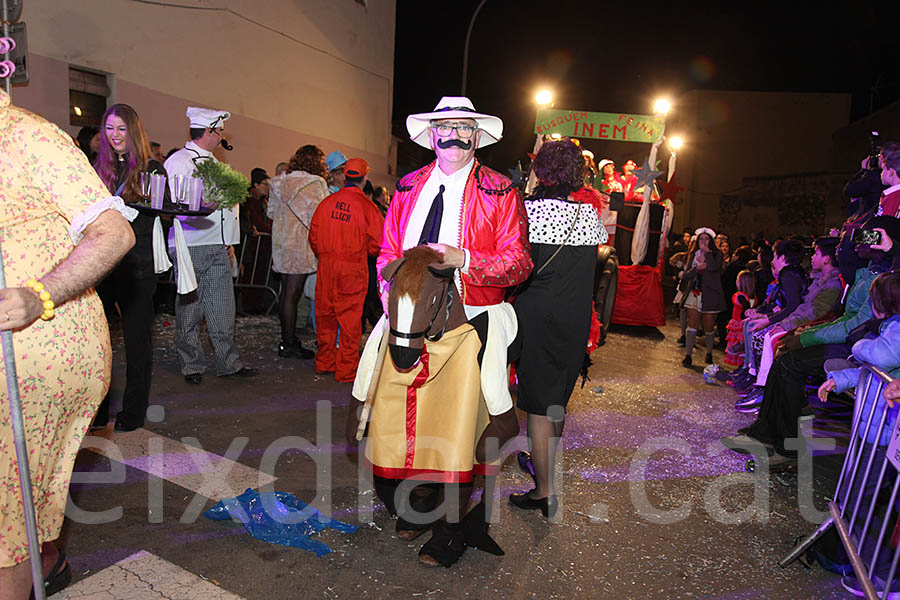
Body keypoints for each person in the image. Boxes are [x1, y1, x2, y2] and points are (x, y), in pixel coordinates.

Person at [349, 96, 530, 568]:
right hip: (407, 318)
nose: (453, 134)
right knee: (387, 411)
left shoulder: (498, 189)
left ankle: (451, 530)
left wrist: (464, 259)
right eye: (444, 126)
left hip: (471, 317)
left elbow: (518, 262)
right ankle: (415, 503)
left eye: (463, 127)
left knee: (461, 428)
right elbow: (388, 252)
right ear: (431, 135)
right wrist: (392, 293)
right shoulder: (408, 186)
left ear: (476, 136)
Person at [0, 89, 136, 600]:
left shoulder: (28, 136)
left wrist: (39, 296)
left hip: (38, 350)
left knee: (7, 517)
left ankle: (29, 563)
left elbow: (114, 233)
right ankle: (46, 558)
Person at [511, 139, 606, 518]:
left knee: (536, 405)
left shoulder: (528, 212)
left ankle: (544, 491)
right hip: (575, 315)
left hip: (537, 314)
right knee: (554, 400)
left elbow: (517, 270)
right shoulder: (589, 217)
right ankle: (543, 468)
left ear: (543, 171)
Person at [164, 107, 258, 384]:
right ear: (209, 132)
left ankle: (228, 362)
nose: (221, 137)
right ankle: (192, 364)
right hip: (191, 242)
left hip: (217, 243)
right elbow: (173, 202)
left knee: (222, 307)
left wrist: (229, 242)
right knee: (190, 308)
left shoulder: (215, 164)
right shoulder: (178, 161)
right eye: (219, 132)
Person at [92, 103, 167, 432]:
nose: (115, 135)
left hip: (138, 266)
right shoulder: (99, 169)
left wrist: (131, 210)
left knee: (138, 344)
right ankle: (97, 412)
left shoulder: (152, 170)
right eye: (110, 129)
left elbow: (159, 215)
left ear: (133, 131)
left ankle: (133, 411)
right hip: (104, 265)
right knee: (99, 342)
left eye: (121, 129)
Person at [309, 158, 383, 381]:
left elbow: (314, 236)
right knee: (350, 322)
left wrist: (327, 254)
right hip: (352, 268)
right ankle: (346, 369)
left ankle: (325, 362)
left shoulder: (326, 203)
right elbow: (378, 242)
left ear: (345, 176)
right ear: (364, 178)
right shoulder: (368, 208)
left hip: (327, 267)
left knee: (325, 316)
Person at [267, 145, 328, 359]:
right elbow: (320, 218)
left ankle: (287, 340)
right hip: (301, 246)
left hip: (282, 244)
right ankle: (289, 343)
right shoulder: (316, 184)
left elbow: (271, 213)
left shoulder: (278, 183)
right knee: (293, 295)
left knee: (286, 294)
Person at [681, 227, 726, 366]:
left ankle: (709, 353)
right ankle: (688, 355)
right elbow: (687, 274)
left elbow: (713, 268)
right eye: (701, 239)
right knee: (692, 324)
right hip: (695, 293)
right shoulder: (693, 254)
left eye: (707, 239)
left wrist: (707, 254)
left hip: (711, 295)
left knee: (709, 326)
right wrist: (697, 268)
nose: (704, 241)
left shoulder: (717, 255)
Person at [724, 270, 756, 366]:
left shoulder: (739, 295)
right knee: (745, 350)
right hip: (746, 324)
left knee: (737, 348)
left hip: (739, 323)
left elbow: (745, 309)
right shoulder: (753, 296)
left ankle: (742, 369)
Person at [877, 142, 900, 218]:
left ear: (891, 172)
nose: (881, 173)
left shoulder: (893, 197)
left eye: (883, 169)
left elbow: (884, 226)